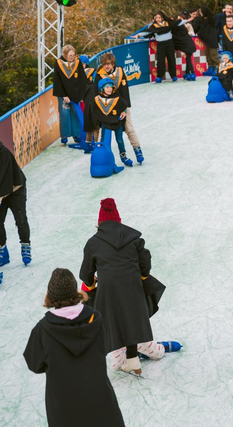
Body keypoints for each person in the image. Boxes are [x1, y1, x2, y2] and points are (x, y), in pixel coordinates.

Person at [80, 198, 177, 376]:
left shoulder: (93, 243)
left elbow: (85, 273)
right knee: (131, 316)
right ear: (119, 219)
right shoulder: (134, 238)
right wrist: (140, 275)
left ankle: (122, 357)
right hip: (133, 288)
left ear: (99, 222)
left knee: (112, 317)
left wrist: (91, 283)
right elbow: (145, 262)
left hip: (108, 292)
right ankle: (140, 353)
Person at [24, 268, 125, 426]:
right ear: (76, 292)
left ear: (50, 296)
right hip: (100, 401)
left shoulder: (42, 330)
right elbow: (104, 347)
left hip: (64, 407)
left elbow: (34, 364)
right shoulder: (96, 320)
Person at [95, 53, 144, 165]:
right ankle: (105, 159)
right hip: (106, 110)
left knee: (129, 129)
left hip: (122, 108)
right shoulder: (99, 75)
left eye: (108, 64)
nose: (106, 66)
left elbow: (124, 91)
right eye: (104, 64)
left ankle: (138, 150)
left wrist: (124, 109)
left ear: (113, 64)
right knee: (106, 136)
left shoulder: (120, 72)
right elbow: (96, 95)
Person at [0, 139, 30, 276]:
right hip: (2, 191)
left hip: (16, 188)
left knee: (20, 219)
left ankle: (25, 245)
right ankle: (2, 250)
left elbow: (5, 180)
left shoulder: (4, 154)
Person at [91, 77, 132, 165]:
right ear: (102, 89)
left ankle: (123, 155)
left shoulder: (117, 98)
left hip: (117, 123)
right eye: (107, 87)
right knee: (104, 141)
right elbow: (94, 113)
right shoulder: (97, 100)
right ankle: (105, 158)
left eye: (110, 87)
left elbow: (124, 106)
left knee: (120, 140)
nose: (109, 89)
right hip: (105, 124)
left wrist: (124, 111)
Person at [52, 44, 87, 146]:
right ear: (65, 55)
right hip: (63, 95)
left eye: (74, 55)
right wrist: (64, 95)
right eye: (70, 56)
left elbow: (82, 80)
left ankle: (76, 135)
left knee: (75, 114)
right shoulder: (59, 63)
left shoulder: (77, 62)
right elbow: (57, 81)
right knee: (65, 114)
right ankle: (64, 136)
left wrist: (81, 96)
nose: (72, 57)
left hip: (75, 94)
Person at [138, 11, 180, 83]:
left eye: (159, 18)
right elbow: (147, 32)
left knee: (171, 59)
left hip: (169, 43)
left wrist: (187, 20)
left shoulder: (168, 23)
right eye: (156, 18)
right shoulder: (153, 26)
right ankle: (159, 76)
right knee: (160, 61)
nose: (157, 19)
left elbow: (177, 23)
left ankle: (173, 76)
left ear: (162, 18)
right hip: (161, 44)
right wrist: (138, 35)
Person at [192, 6, 219, 75]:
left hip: (212, 40)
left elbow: (204, 29)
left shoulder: (210, 19)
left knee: (214, 55)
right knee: (208, 55)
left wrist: (199, 33)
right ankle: (211, 69)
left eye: (201, 11)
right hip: (208, 41)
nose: (200, 13)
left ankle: (218, 69)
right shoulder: (205, 19)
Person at [173, 13, 197, 81]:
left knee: (188, 59)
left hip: (186, 44)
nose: (179, 20)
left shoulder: (179, 27)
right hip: (187, 44)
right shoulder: (180, 27)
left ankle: (192, 73)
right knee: (188, 58)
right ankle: (187, 73)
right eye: (178, 19)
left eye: (180, 19)